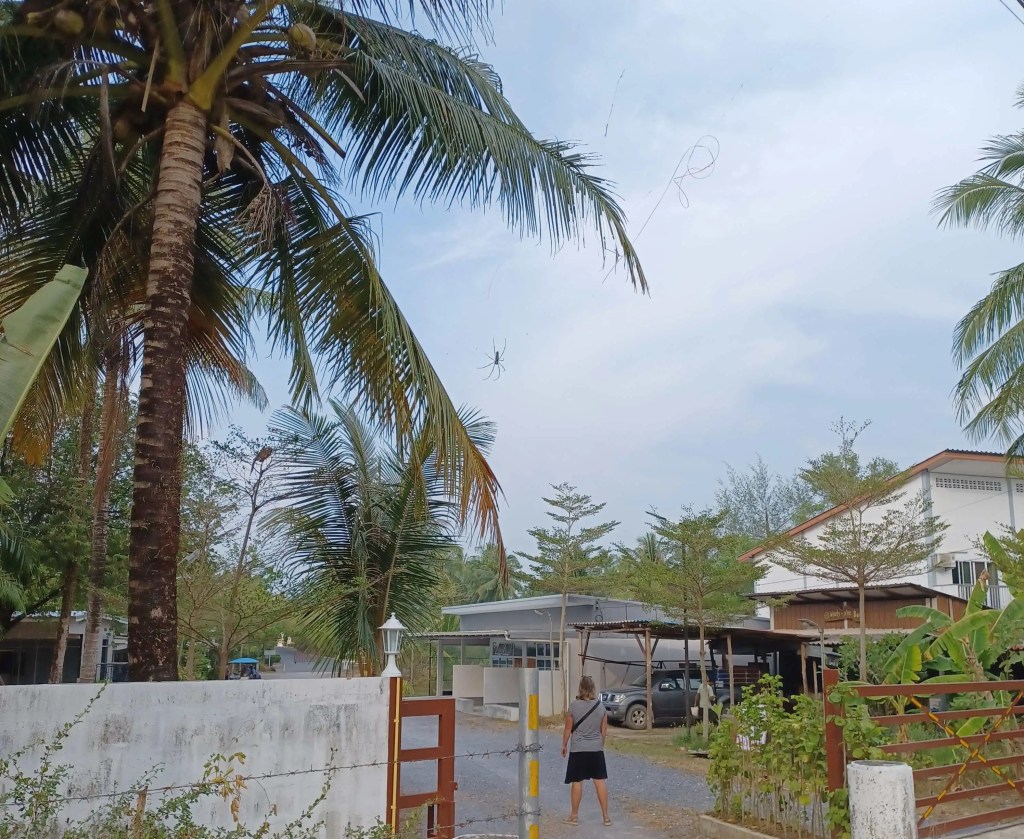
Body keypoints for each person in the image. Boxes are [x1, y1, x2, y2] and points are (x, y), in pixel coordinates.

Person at [561, 675, 611, 826]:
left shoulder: (574, 706)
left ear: (580, 688)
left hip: (578, 749)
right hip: (596, 749)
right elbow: (604, 730)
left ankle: (574, 816)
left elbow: (568, 728)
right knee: (600, 781)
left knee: (577, 782)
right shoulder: (600, 707)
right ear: (593, 688)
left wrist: (564, 745)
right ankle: (606, 816)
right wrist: (599, 745)